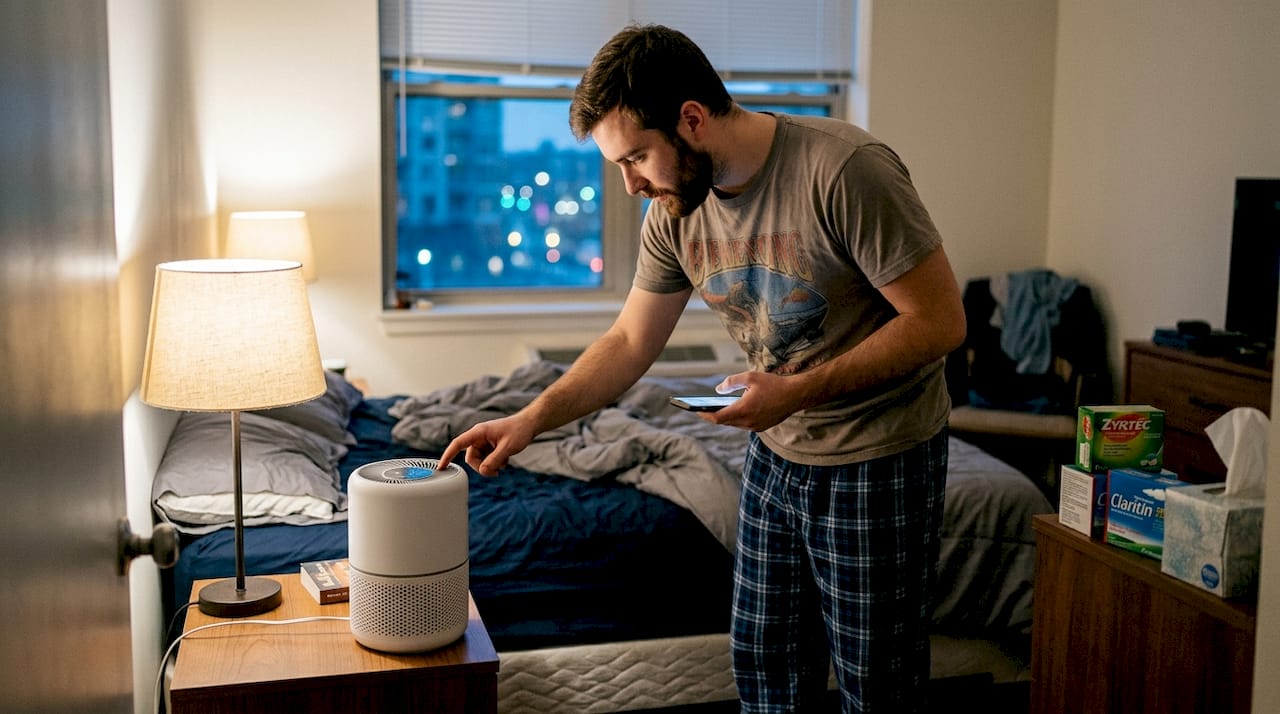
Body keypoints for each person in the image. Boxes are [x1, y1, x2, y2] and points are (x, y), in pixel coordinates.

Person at [439, 23, 966, 713]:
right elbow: (630, 341)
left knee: (877, 688)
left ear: (692, 119)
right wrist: (530, 420)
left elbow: (939, 322)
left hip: (879, 456)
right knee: (766, 673)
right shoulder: (675, 211)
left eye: (637, 158)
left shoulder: (842, 170)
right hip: (775, 454)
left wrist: (796, 391)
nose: (630, 185)